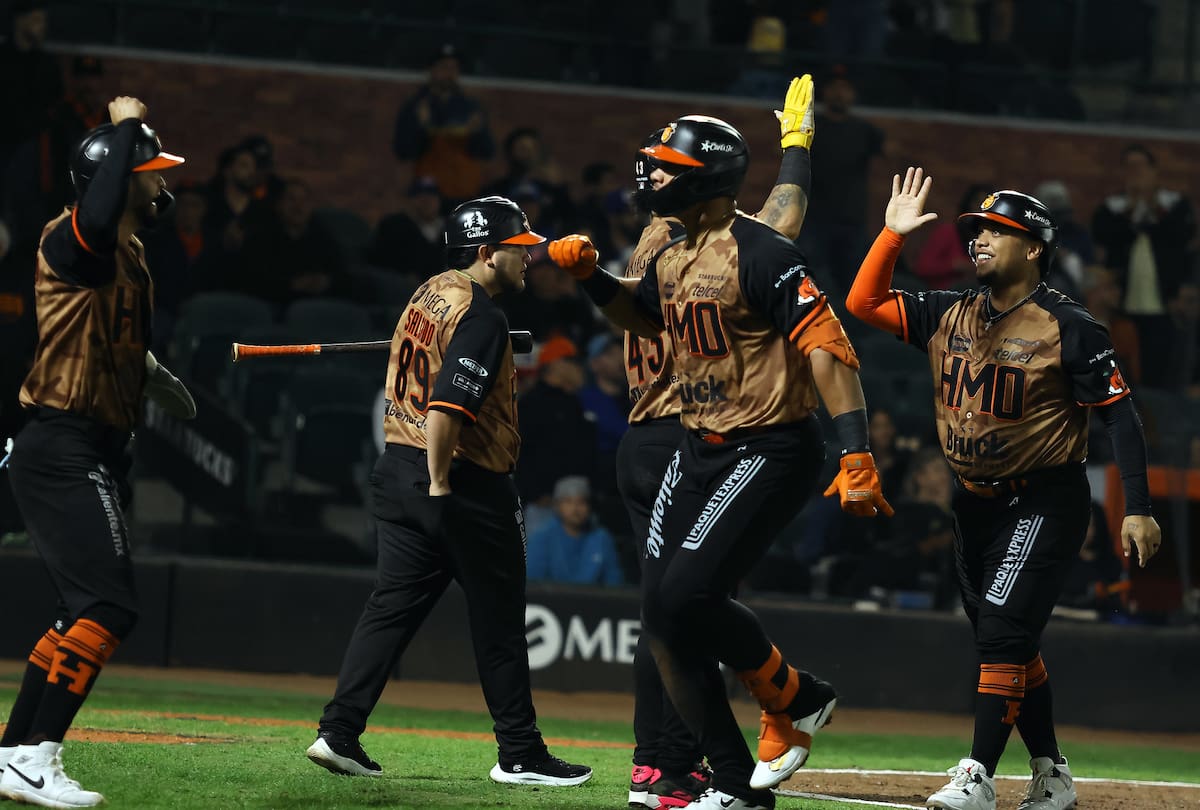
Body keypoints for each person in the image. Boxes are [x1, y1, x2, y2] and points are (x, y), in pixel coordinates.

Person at [550, 109, 891, 810]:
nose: (653, 178)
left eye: (669, 169)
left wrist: (856, 450)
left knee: (683, 598)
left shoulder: (761, 252)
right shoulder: (675, 252)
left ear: (707, 182)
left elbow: (827, 348)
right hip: (698, 443)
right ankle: (737, 783)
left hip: (768, 443)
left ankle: (794, 696)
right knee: (662, 617)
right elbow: (645, 316)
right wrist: (591, 278)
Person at [845, 167, 1163, 810]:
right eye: (976, 230)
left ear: (1035, 248)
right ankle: (1052, 774)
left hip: (1045, 498)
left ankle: (978, 775)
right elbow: (862, 304)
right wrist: (891, 235)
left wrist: (1138, 507)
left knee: (1000, 632)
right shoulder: (949, 311)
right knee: (1010, 639)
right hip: (973, 502)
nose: (979, 239)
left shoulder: (1069, 324)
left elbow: (1120, 416)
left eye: (996, 230)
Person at [590, 75, 822, 810]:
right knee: (687, 604)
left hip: (645, 434)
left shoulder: (653, 240)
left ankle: (657, 768)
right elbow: (781, 221)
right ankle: (682, 762)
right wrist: (797, 146)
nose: (658, 178)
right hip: (689, 434)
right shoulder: (694, 241)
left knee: (668, 607)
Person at [305, 195, 591, 788]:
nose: (528, 257)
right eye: (517, 248)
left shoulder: (429, 291)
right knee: (501, 622)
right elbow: (447, 408)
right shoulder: (482, 316)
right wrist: (440, 482)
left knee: (390, 608)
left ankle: (338, 731)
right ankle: (520, 753)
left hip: (397, 469)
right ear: (486, 253)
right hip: (459, 481)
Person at [0, 96, 195, 808]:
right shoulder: (70, 236)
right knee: (108, 606)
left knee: (77, 608)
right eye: (151, 170)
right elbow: (95, 216)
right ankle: (37, 757)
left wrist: (145, 370)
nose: (163, 181)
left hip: (94, 444)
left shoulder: (131, 252)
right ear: (117, 177)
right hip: (59, 439)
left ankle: (12, 754)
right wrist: (124, 126)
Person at [1090, 143, 1197, 388]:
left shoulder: (1175, 205)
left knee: (1161, 370)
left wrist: (1150, 205)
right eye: (1129, 167)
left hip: (1164, 303)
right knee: (1121, 370)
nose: (1136, 172)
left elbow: (1180, 235)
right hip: (1122, 304)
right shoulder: (1112, 207)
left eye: (1140, 166)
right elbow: (1104, 234)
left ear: (1153, 170)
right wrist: (1132, 208)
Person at [392, 44, 495, 207]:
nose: (449, 74)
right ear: (431, 70)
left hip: (464, 192)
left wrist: (476, 132)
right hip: (428, 195)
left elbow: (487, 151)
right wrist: (421, 127)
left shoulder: (470, 107)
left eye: (454, 68)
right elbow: (403, 151)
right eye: (444, 67)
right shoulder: (416, 106)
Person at [526, 475, 624, 586]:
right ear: (557, 505)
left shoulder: (602, 538)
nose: (575, 508)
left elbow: (614, 582)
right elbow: (532, 584)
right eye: (568, 502)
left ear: (589, 506)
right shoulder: (541, 538)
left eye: (581, 502)